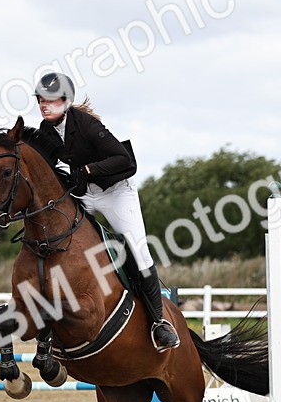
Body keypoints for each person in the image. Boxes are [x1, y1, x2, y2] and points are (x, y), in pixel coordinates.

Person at [24, 71, 180, 352]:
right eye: (41, 100)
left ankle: (159, 323)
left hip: (115, 192)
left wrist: (87, 169)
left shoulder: (86, 125)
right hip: (84, 194)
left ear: (66, 101)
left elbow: (123, 159)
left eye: (51, 100)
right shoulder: (46, 130)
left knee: (138, 249)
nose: (44, 105)